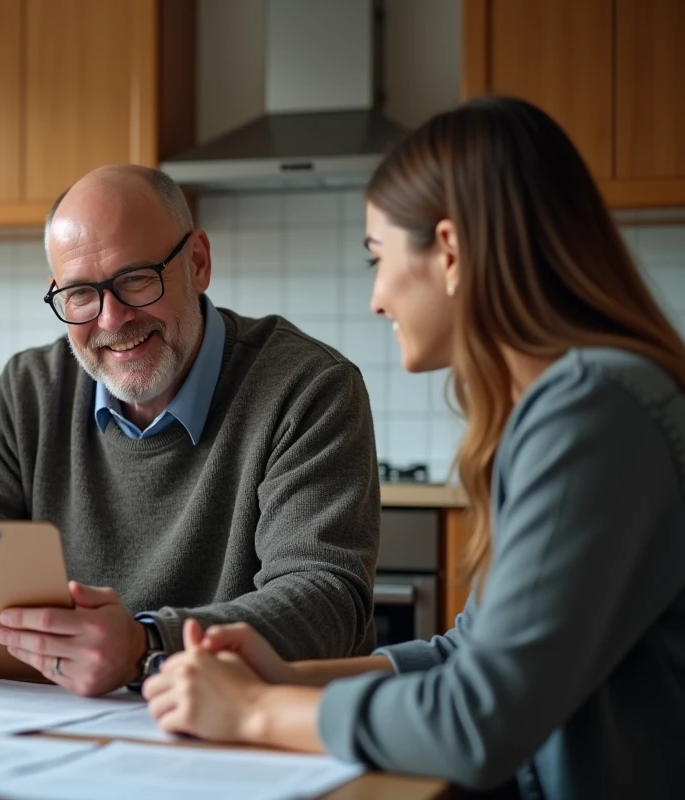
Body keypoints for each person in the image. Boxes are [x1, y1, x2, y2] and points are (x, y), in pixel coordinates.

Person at [143, 96, 685, 799]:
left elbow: (476, 719)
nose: (374, 298)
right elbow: (467, 656)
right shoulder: (579, 402)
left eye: (378, 257)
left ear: (451, 252)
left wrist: (251, 710)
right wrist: (284, 675)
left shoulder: (592, 411)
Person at [0, 165, 381, 697]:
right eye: (82, 294)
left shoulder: (308, 388)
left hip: (240, 726)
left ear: (197, 263)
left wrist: (146, 646)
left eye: (135, 279)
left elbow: (325, 602)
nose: (111, 320)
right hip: (57, 729)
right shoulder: (28, 392)